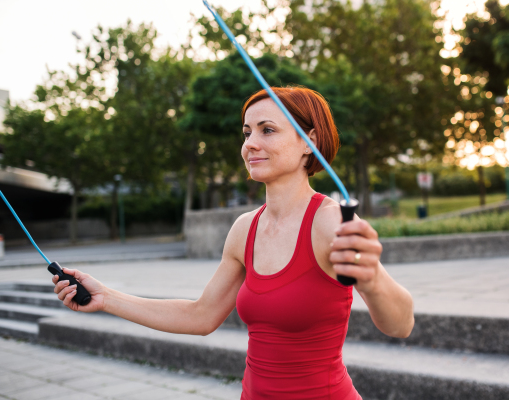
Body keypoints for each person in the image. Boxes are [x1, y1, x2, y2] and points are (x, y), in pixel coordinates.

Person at [52, 86, 414, 399]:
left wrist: (372, 279)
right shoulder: (245, 228)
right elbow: (202, 315)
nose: (250, 144)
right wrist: (107, 298)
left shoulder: (330, 222)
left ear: (310, 143)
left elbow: (401, 325)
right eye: (247, 132)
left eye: (267, 130)